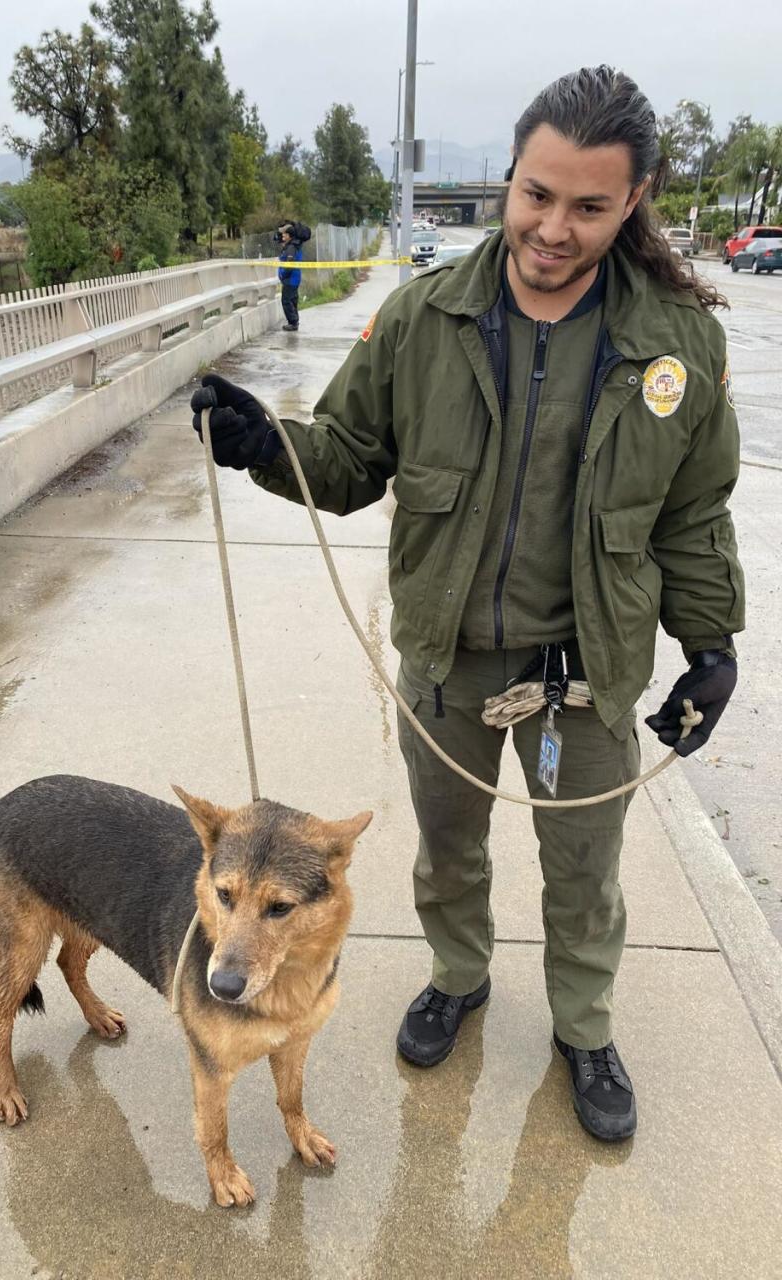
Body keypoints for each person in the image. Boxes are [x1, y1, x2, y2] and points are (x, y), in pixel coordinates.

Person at [190, 66, 744, 1142]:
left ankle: (584, 1024)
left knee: (585, 872)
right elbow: (345, 458)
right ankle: (459, 976)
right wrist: (269, 445)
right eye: (538, 194)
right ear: (510, 178)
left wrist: (711, 647)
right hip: (448, 661)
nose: (554, 227)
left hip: (588, 670)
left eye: (590, 206)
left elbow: (695, 510)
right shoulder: (424, 316)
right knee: (449, 852)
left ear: (632, 203)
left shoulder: (680, 341)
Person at [277, 223, 303, 332]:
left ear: (289, 235)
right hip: (294, 278)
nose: (282, 235)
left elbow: (289, 264)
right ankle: (294, 321)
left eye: (284, 233)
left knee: (286, 300)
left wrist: (283, 274)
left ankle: (293, 323)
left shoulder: (291, 247)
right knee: (292, 300)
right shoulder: (293, 245)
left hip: (290, 279)